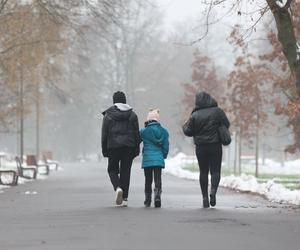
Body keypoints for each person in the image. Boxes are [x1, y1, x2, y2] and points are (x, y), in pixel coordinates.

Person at [182, 91, 230, 208]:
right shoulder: (217, 111)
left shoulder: (195, 115)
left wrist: (184, 125)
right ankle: (213, 191)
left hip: (201, 147)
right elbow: (227, 124)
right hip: (215, 146)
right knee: (215, 171)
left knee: (203, 172)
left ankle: (204, 198)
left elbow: (189, 132)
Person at [101, 91, 140, 207]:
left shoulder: (108, 115)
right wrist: (136, 148)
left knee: (112, 169)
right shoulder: (132, 115)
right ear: (125, 100)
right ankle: (125, 198)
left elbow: (104, 134)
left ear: (114, 101)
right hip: (129, 146)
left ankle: (118, 188)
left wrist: (104, 149)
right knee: (125, 171)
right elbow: (136, 133)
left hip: (113, 146)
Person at [140, 109, 169, 208]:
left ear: (148, 119)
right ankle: (157, 196)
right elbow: (166, 146)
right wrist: (163, 156)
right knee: (158, 179)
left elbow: (136, 140)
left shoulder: (144, 131)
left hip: (147, 158)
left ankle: (147, 200)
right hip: (158, 159)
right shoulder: (164, 131)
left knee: (148, 180)